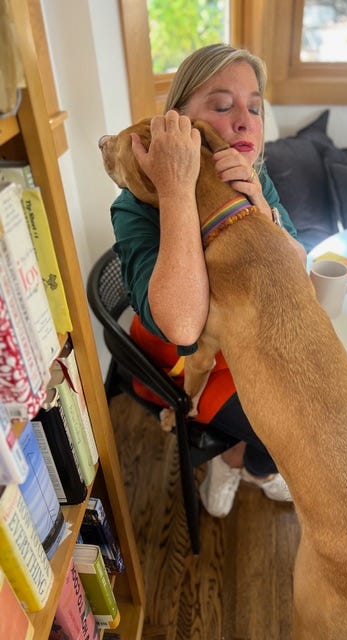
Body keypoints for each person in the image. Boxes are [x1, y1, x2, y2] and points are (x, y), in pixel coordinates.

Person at [110, 43, 307, 518]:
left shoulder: (252, 175)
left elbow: (296, 271)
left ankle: (240, 462)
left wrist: (258, 204)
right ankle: (250, 462)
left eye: (254, 107)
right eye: (221, 106)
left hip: (252, 341)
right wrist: (179, 186)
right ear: (177, 124)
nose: (244, 120)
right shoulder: (137, 203)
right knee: (294, 435)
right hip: (187, 365)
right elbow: (181, 326)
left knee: (325, 409)